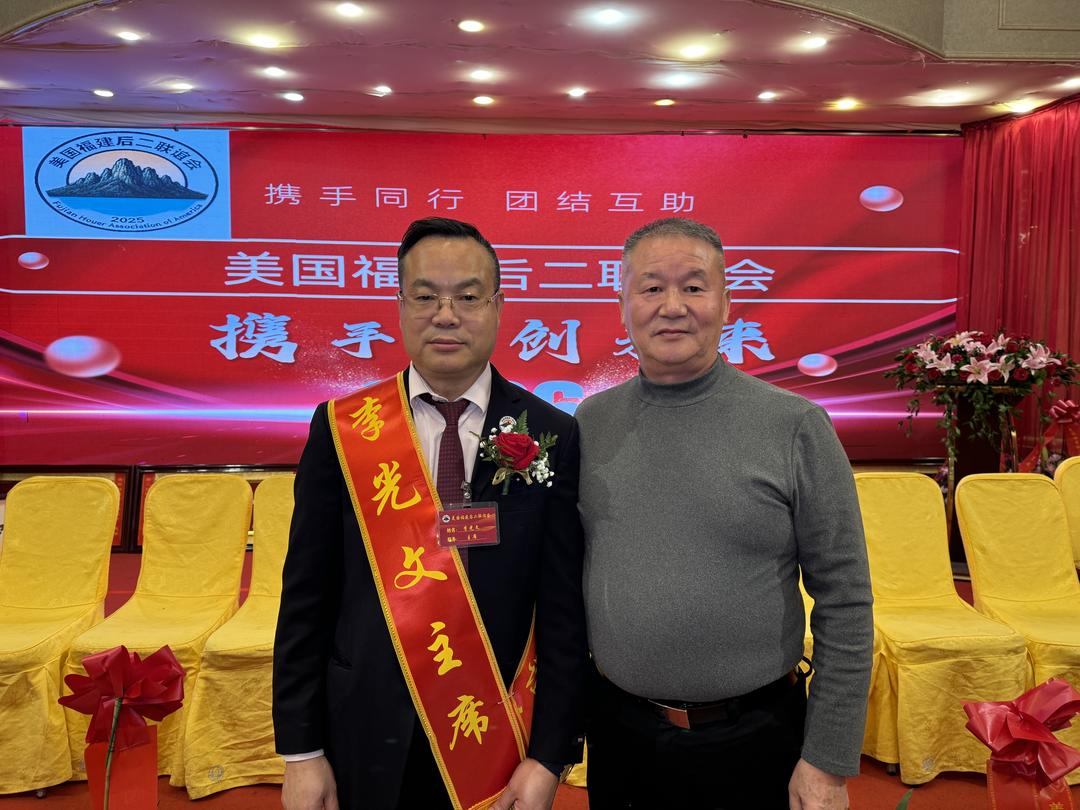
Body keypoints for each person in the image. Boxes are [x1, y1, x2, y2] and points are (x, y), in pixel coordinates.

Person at [273, 217, 587, 810]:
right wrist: (301, 752)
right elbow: (306, 598)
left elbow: (563, 613)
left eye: (468, 297)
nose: (446, 315)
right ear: (399, 306)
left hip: (494, 729)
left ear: (497, 307)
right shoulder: (343, 429)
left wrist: (550, 756)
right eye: (425, 297)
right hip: (363, 725)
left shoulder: (551, 434)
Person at [575, 217, 873, 810]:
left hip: (755, 739)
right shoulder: (590, 422)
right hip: (621, 735)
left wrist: (827, 759)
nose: (673, 306)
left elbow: (845, 598)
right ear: (623, 305)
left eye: (694, 286)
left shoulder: (794, 425)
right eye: (651, 288)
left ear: (726, 303)